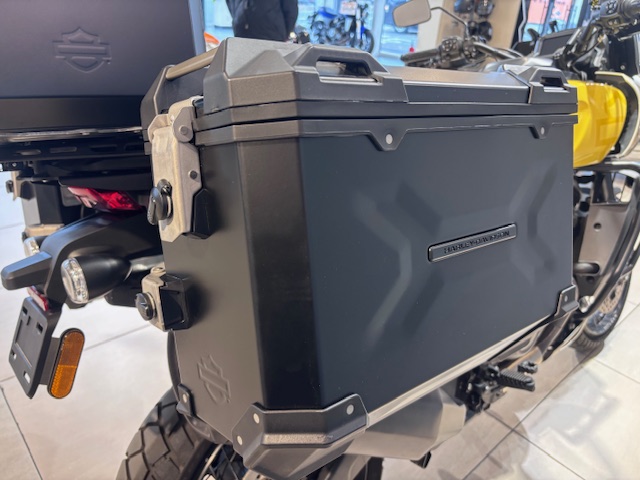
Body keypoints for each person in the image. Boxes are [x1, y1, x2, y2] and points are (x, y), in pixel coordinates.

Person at [226, 0, 298, 42]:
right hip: (242, 34)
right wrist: (238, 20)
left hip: (271, 36)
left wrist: (284, 33)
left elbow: (291, 10)